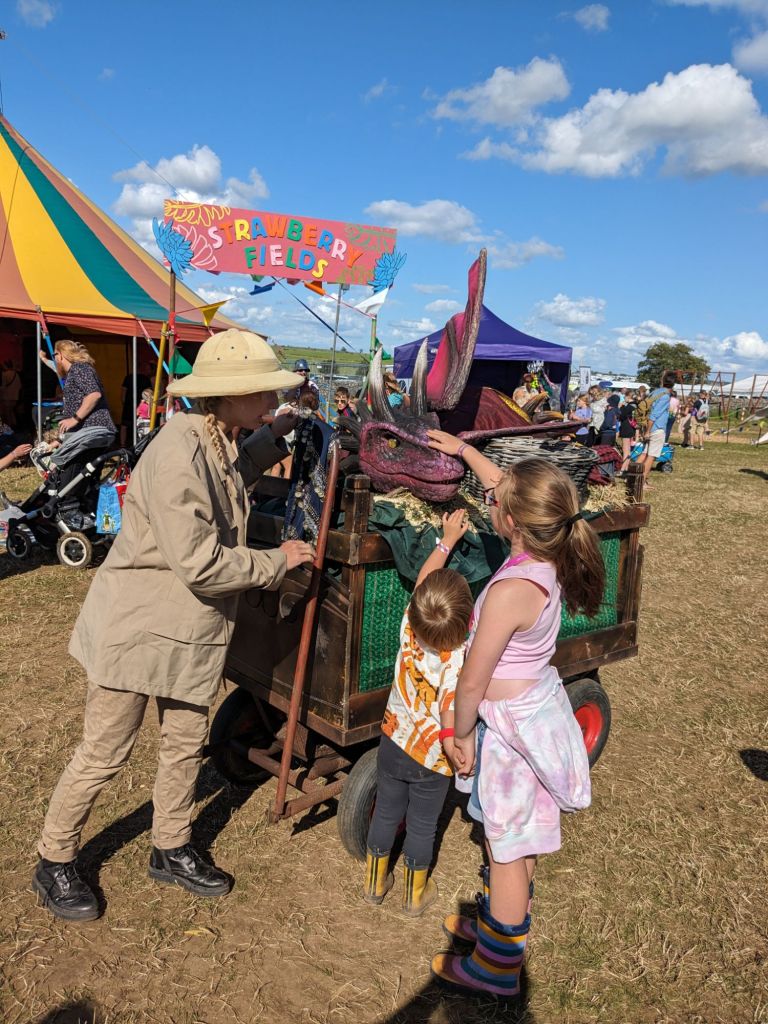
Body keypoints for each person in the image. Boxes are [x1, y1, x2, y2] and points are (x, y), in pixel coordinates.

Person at [32, 330, 315, 923]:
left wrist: (275, 433)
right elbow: (201, 562)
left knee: (185, 744)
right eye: (262, 392)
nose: (271, 400)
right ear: (227, 394)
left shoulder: (212, 434)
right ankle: (54, 858)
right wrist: (276, 562)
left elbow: (233, 472)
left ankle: (171, 846)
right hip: (138, 626)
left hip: (189, 629)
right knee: (104, 751)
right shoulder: (177, 451)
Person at [425, 434, 602, 998]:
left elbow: (473, 679)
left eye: (496, 501)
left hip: (507, 730)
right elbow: (503, 485)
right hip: (528, 712)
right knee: (517, 836)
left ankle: (497, 966)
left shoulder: (511, 590)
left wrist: (459, 732)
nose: (491, 498)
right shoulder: (546, 556)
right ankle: (501, 926)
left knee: (505, 846)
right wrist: (463, 451)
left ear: (511, 522)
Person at [364, 511, 473, 916]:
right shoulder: (457, 656)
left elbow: (426, 579)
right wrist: (452, 742)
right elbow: (449, 706)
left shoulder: (410, 627)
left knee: (387, 811)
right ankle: (414, 895)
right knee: (423, 824)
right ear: (466, 622)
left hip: (393, 740)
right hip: (431, 758)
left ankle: (375, 883)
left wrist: (446, 541)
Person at [49, 341, 117, 471]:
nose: (54, 359)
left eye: (54, 355)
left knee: (74, 477)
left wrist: (74, 419)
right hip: (87, 433)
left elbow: (94, 395)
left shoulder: (79, 368)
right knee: (85, 477)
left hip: (90, 432)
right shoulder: (76, 371)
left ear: (61, 355)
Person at [637, 372, 675, 487]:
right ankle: (641, 482)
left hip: (648, 426)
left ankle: (631, 477)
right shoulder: (665, 396)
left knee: (644, 453)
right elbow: (654, 415)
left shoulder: (655, 392)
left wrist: (645, 430)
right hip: (656, 428)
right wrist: (648, 431)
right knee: (651, 456)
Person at [119, 367, 152, 446]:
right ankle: (140, 443)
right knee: (140, 425)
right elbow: (149, 393)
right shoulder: (146, 379)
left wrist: (124, 402)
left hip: (128, 404)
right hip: (142, 404)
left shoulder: (128, 378)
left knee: (124, 425)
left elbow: (123, 391)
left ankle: (122, 444)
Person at [617, 392, 638, 472]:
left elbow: (621, 416)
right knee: (628, 450)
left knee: (625, 449)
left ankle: (623, 468)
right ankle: (626, 466)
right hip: (632, 428)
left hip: (626, 428)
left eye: (624, 397)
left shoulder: (629, 406)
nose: (623, 398)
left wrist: (621, 407)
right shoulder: (636, 405)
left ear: (628, 397)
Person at [0, 360, 23, 428]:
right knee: (11, 412)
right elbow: (20, 386)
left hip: (7, 397)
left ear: (6, 366)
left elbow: (3, 386)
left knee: (7, 414)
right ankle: (14, 425)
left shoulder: (5, 374)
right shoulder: (16, 374)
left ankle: (10, 427)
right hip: (15, 396)